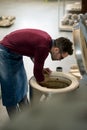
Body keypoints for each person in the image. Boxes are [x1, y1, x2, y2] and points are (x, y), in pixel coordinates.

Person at [0, 28, 73, 119]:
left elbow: (34, 54)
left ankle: (28, 118)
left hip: (14, 52)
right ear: (56, 50)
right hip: (5, 52)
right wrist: (46, 86)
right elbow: (37, 74)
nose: (59, 60)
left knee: (21, 85)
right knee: (11, 90)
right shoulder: (44, 47)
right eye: (61, 57)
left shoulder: (48, 41)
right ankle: (16, 123)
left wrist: (41, 68)